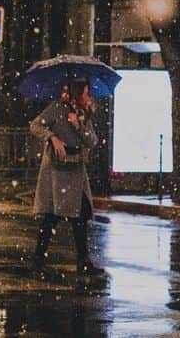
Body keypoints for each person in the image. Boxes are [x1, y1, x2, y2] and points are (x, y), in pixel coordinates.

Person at [29, 79, 105, 277]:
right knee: (52, 215)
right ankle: (39, 258)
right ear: (77, 92)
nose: (88, 96)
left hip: (75, 169)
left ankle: (83, 261)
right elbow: (35, 126)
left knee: (81, 214)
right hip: (57, 170)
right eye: (86, 92)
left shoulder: (83, 113)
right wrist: (52, 137)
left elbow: (92, 141)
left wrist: (78, 124)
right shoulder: (56, 108)